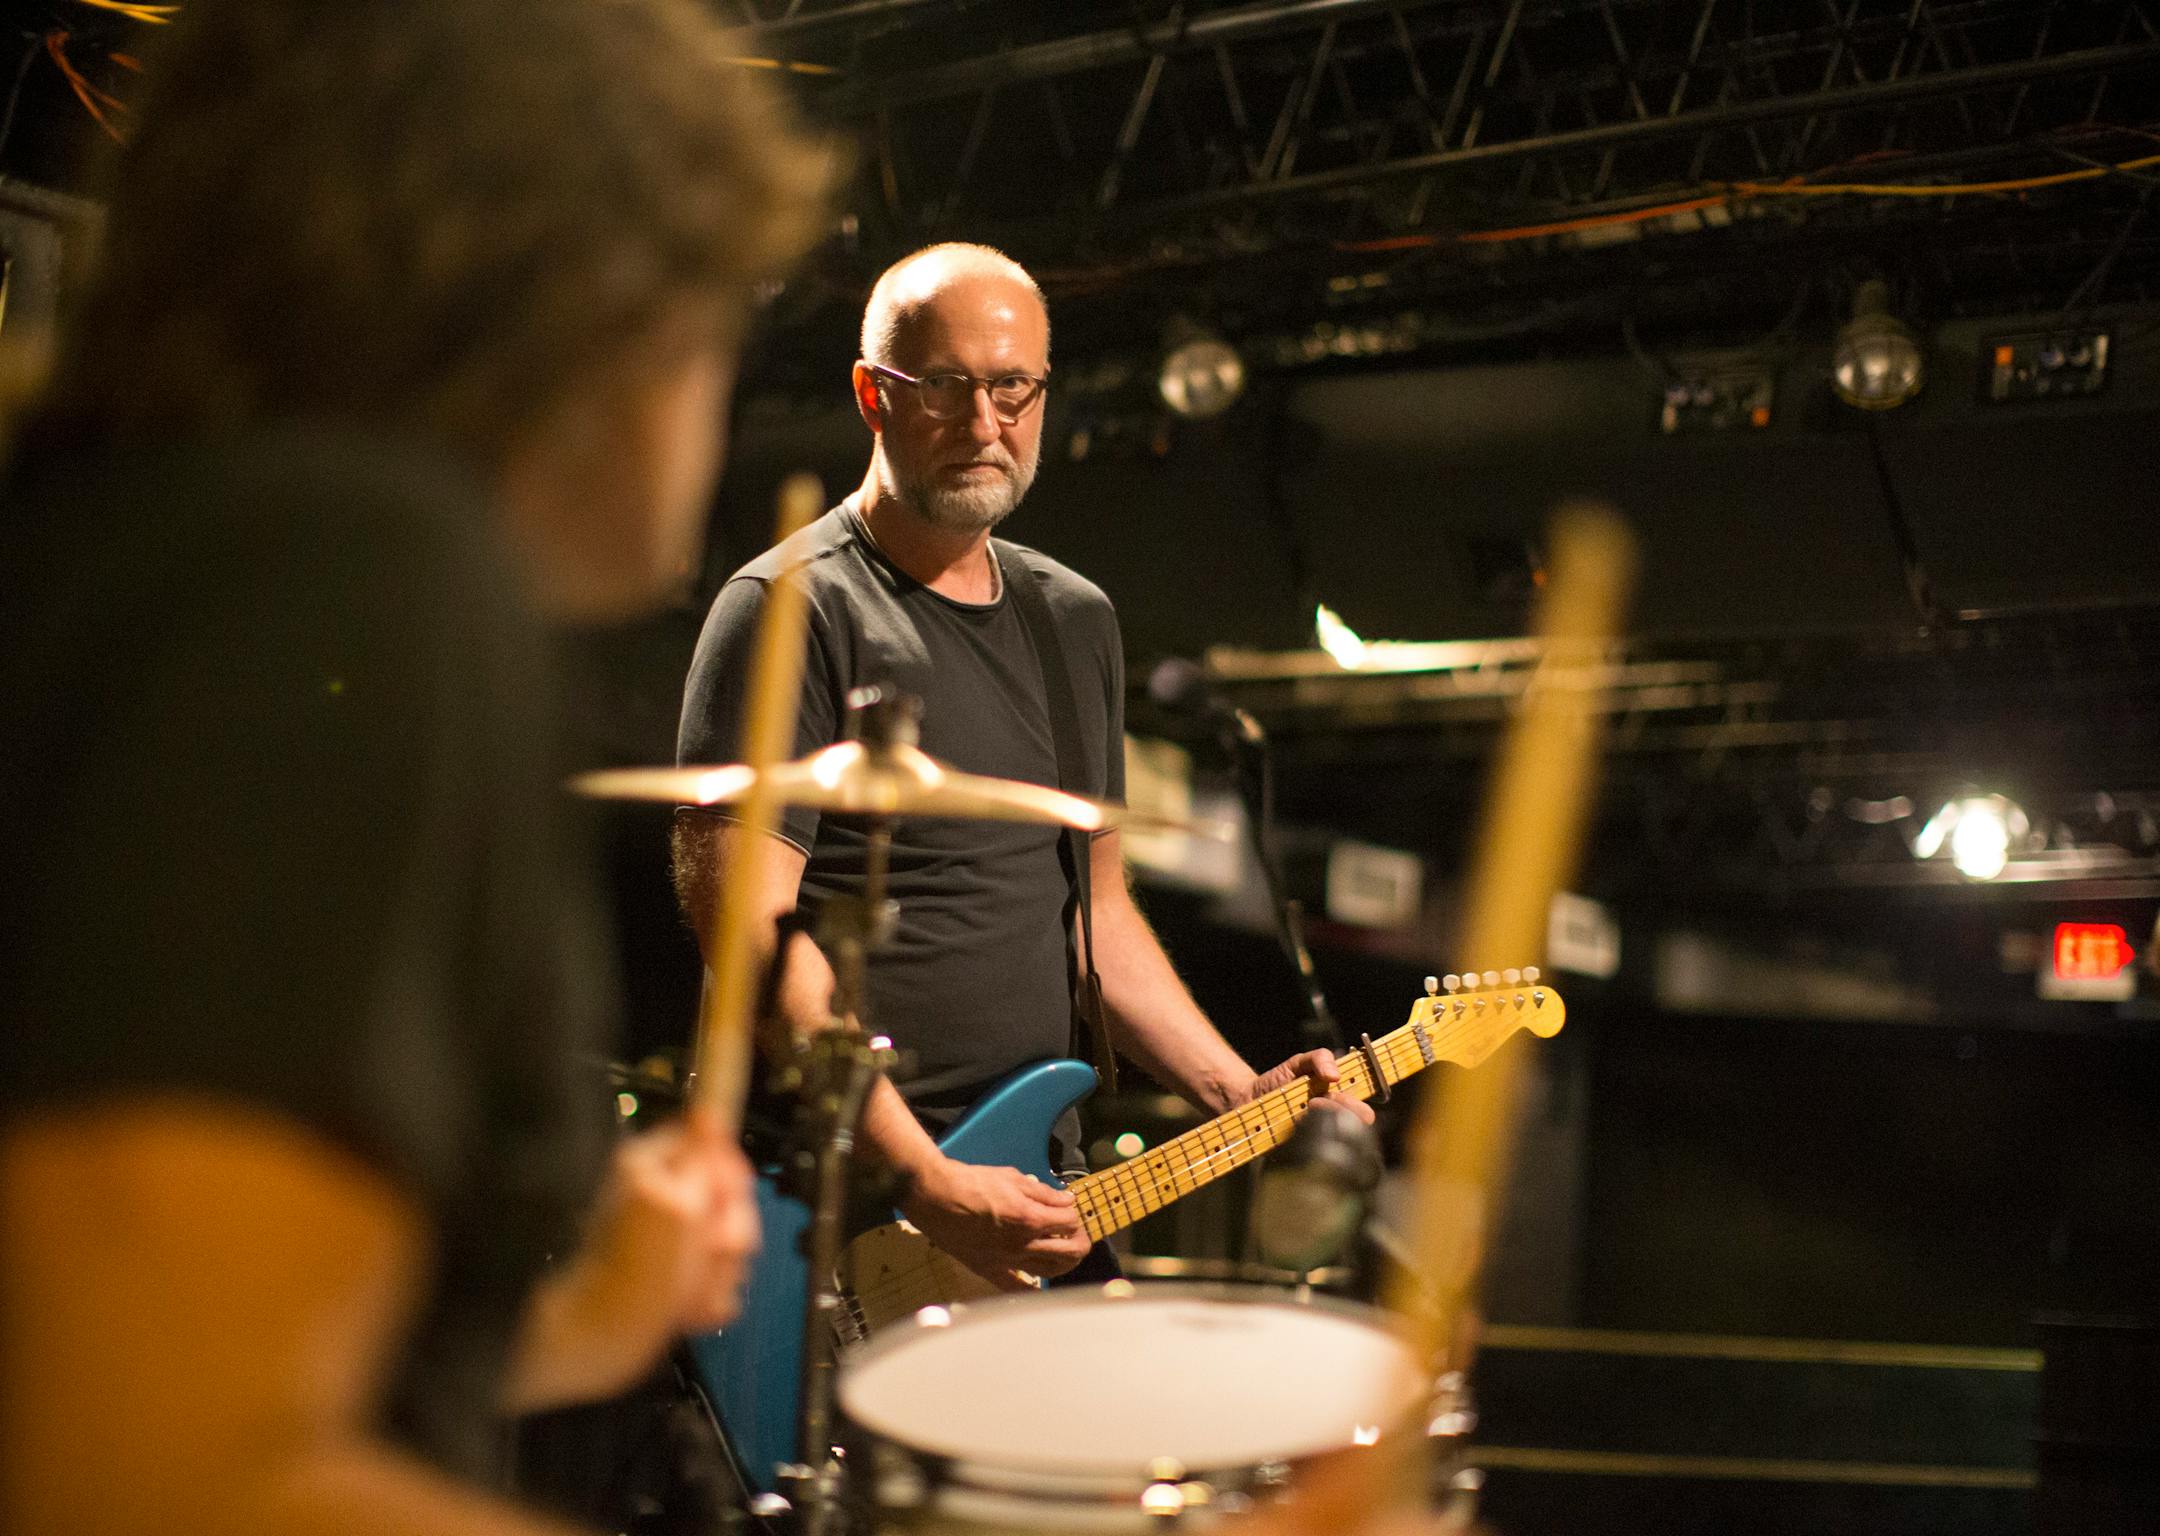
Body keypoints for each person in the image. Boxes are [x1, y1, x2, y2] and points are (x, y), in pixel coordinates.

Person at [0, 3, 829, 1534]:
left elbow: (224, 1371)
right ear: (592, 290)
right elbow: (146, 1477)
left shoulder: (129, 554)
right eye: (729, 297)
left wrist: (583, 1323)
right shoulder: (351, 571)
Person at [674, 243, 1370, 1289]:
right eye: (947, 389)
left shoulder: (1073, 621)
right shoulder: (790, 608)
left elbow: (1098, 918)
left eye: (1013, 389)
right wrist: (921, 1178)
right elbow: (756, 945)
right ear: (874, 394)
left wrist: (1237, 1091)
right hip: (834, 1207)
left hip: (1037, 1187)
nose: (987, 426)